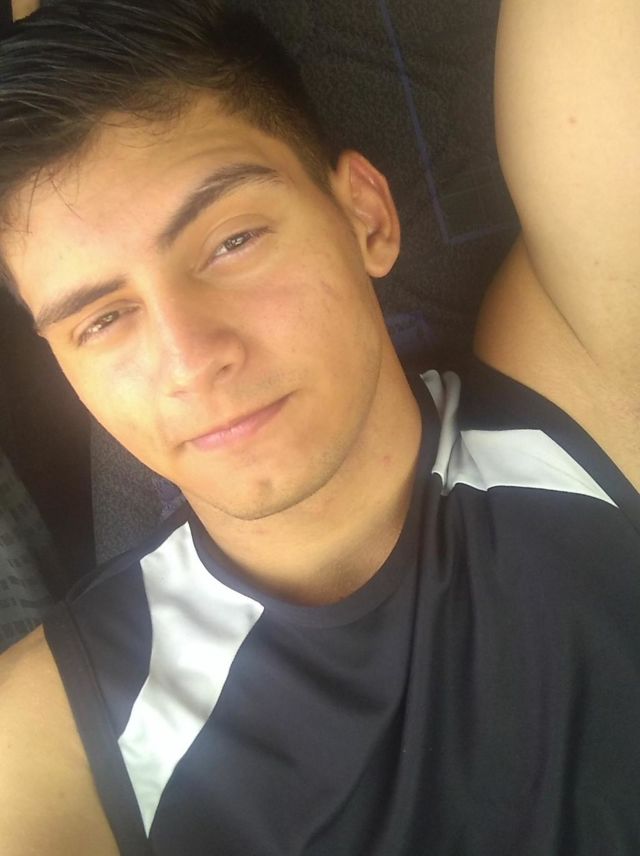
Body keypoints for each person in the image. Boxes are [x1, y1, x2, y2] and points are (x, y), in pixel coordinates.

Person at [1, 0, 639, 853]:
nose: (192, 360)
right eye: (103, 319)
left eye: (232, 241)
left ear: (365, 217)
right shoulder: (48, 749)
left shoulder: (591, 398)